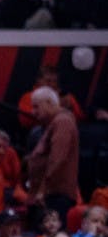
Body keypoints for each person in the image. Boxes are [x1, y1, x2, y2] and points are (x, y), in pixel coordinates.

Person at [26, 88, 80, 221]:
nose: (33, 112)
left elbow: (57, 159)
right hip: (47, 194)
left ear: (49, 103)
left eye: (36, 107)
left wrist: (42, 190)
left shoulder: (62, 122)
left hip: (53, 196)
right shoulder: (54, 123)